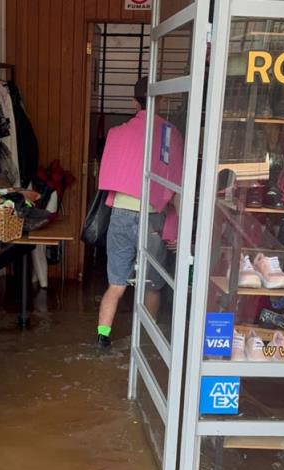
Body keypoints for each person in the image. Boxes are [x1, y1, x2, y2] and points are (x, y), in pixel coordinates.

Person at [95, 76, 184, 348]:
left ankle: (102, 336)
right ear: (163, 99)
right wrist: (175, 228)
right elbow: (176, 189)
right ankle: (146, 339)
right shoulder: (171, 135)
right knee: (152, 284)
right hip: (152, 218)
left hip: (121, 215)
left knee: (117, 283)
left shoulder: (117, 133)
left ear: (135, 101)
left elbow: (109, 180)